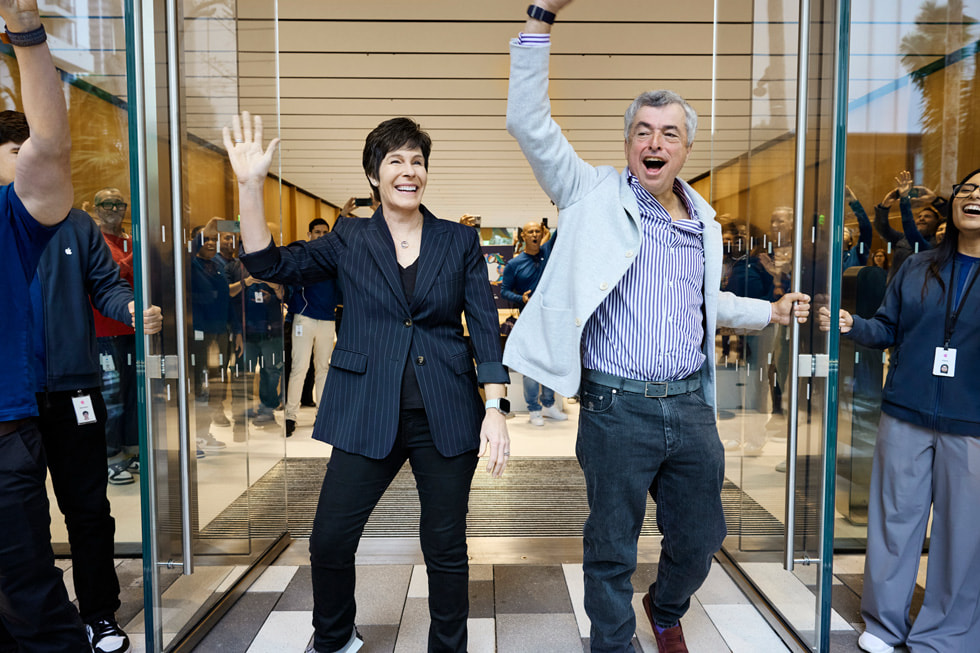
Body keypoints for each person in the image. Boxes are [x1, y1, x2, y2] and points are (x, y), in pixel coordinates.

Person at [502, 4, 811, 652]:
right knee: (611, 542)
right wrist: (540, 20)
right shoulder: (590, 194)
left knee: (700, 534)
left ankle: (665, 605)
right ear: (627, 144)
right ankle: (614, 643)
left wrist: (771, 312)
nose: (654, 143)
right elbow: (529, 124)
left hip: (691, 405)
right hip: (617, 408)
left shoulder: (705, 220)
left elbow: (709, 302)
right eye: (643, 131)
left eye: (669, 133)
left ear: (685, 149)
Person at [226, 111, 511, 653]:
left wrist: (494, 408)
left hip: (445, 412)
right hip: (365, 409)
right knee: (330, 540)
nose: (409, 171)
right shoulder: (349, 238)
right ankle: (334, 640)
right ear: (375, 175)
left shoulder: (459, 241)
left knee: (446, 547)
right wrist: (250, 185)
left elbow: (483, 327)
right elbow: (269, 262)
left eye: (418, 161)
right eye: (396, 161)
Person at [819, 168, 980, 653]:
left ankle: (946, 633)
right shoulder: (916, 266)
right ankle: (884, 626)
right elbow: (887, 327)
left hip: (971, 424)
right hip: (905, 412)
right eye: (969, 189)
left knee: (962, 534)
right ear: (954, 202)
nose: (974, 197)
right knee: (894, 522)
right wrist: (852, 324)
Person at [29, 182, 162, 652]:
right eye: (16, 152)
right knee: (21, 517)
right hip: (12, 399)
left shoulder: (76, 224)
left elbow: (106, 285)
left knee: (87, 510)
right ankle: (34, 619)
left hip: (74, 388)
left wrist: (129, 308)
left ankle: (99, 615)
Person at [0, 1, 96, 650]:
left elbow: (51, 148)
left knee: (31, 607)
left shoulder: (13, 217)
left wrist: (25, 32)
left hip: (7, 430)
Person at [88, 187, 141, 484]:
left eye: (118, 204)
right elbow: (107, 276)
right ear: (96, 208)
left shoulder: (129, 240)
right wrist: (134, 258)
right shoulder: (94, 240)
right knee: (111, 396)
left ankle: (132, 449)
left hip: (131, 330)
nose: (113, 209)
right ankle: (110, 457)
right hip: (104, 332)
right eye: (106, 204)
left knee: (133, 393)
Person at [499, 220, 566, 425]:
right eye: (530, 231)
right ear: (523, 236)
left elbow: (561, 231)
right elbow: (504, 291)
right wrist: (522, 299)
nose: (535, 234)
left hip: (551, 319)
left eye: (538, 231)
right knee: (530, 367)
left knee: (550, 363)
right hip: (528, 320)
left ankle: (548, 404)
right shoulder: (514, 264)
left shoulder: (548, 253)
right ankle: (534, 409)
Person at [284, 218, 341, 437]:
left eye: (324, 232)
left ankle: (322, 415)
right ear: (309, 234)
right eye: (317, 232)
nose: (321, 235)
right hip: (304, 319)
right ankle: (290, 416)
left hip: (327, 319)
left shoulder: (333, 260)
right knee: (299, 368)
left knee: (323, 369)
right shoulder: (304, 255)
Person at [189, 220, 234, 453]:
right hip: (199, 333)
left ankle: (204, 433)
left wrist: (235, 330)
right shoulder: (190, 264)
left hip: (220, 332)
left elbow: (226, 298)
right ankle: (193, 436)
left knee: (214, 383)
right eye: (205, 239)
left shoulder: (216, 265)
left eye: (213, 239)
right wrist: (206, 228)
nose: (210, 243)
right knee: (199, 385)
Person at [867, 170, 945, 282]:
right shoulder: (901, 239)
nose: (922, 218)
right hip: (895, 290)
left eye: (927, 216)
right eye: (919, 216)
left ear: (937, 222)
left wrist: (935, 201)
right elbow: (882, 228)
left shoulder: (938, 243)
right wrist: (884, 207)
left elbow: (912, 232)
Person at [842, 185, 873, 270]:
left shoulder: (857, 253)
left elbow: (866, 229)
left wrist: (854, 202)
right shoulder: (829, 256)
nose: (841, 233)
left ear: (850, 241)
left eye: (844, 232)